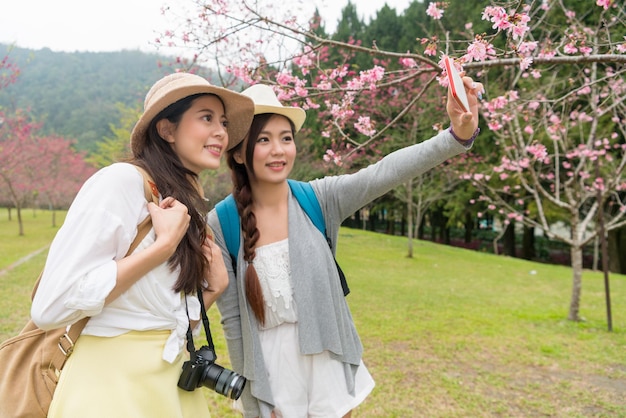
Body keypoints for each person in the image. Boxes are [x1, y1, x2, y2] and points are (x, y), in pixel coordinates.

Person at [206, 76, 484, 418]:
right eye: (263, 140)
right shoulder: (221, 223)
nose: (278, 150)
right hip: (270, 374)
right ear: (238, 153)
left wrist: (455, 136)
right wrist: (252, 398)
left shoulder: (319, 199)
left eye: (286, 138)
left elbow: (385, 172)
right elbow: (232, 319)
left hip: (328, 361)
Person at [30, 72, 255, 417]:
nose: (221, 132)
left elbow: (161, 320)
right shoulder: (120, 182)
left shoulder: (184, 204)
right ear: (167, 129)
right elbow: (50, 306)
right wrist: (160, 249)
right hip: (109, 389)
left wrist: (214, 289)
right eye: (206, 117)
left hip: (168, 386)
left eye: (223, 122)